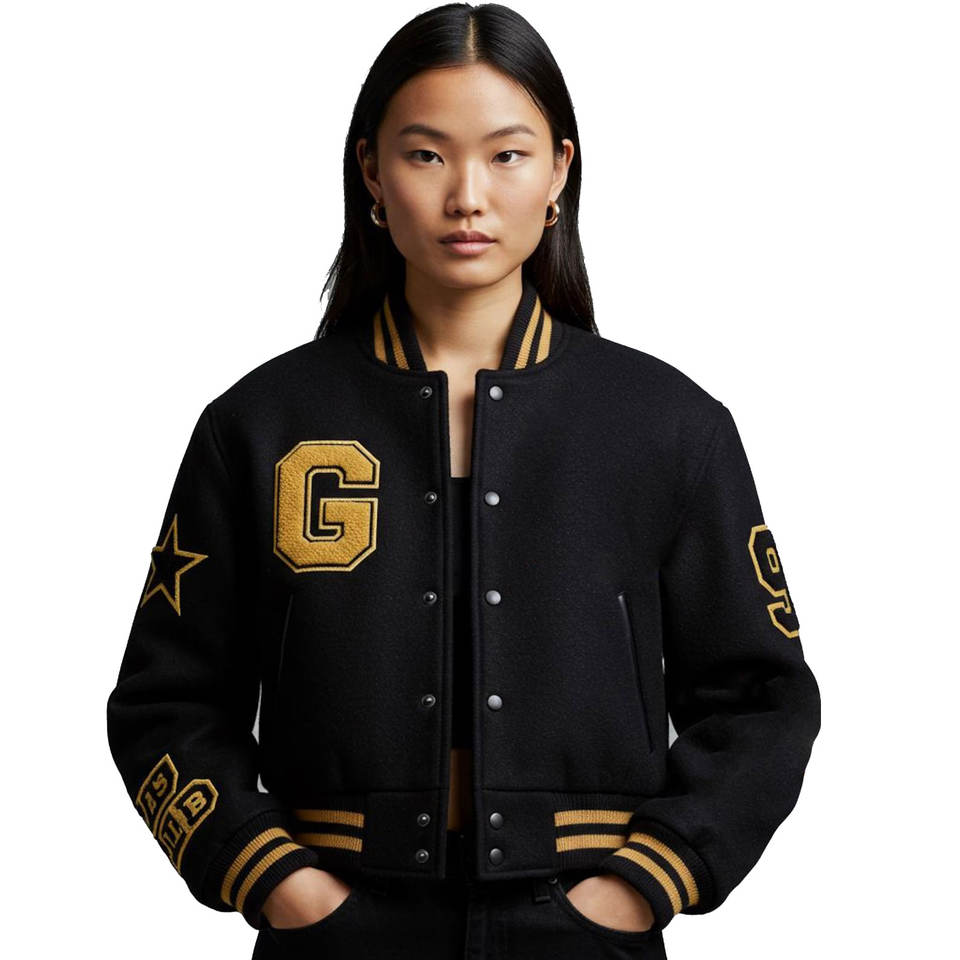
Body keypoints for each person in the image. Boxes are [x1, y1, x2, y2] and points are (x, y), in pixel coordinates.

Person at [106, 4, 821, 958]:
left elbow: (764, 701)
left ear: (560, 170)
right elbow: (164, 704)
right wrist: (277, 881)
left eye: (507, 155)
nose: (467, 197)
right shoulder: (259, 424)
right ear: (371, 171)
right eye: (427, 155)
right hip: (337, 931)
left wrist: (643, 884)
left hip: (585, 933)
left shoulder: (670, 427)